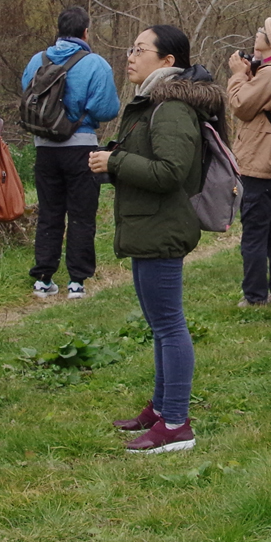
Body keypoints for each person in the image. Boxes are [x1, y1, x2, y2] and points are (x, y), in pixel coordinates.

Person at [91, 25, 222, 453]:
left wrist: (116, 160)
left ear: (168, 62)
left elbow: (170, 173)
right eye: (130, 48)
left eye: (139, 49)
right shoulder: (153, 104)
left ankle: (177, 425)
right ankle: (161, 408)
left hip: (162, 227)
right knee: (159, 325)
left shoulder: (171, 109)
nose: (129, 55)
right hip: (149, 225)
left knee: (169, 325)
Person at [21, 7, 121, 299]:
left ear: (59, 29)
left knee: (49, 213)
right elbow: (106, 109)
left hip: (44, 149)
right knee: (81, 215)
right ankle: (77, 281)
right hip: (81, 147)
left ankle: (43, 278)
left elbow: (28, 99)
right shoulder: (95, 64)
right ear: (86, 32)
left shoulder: (36, 61)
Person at [226, 17, 271, 307]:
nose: (256, 33)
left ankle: (254, 297)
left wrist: (238, 75)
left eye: (261, 31)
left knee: (255, 233)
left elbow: (242, 105)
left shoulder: (270, 74)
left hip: (260, 162)